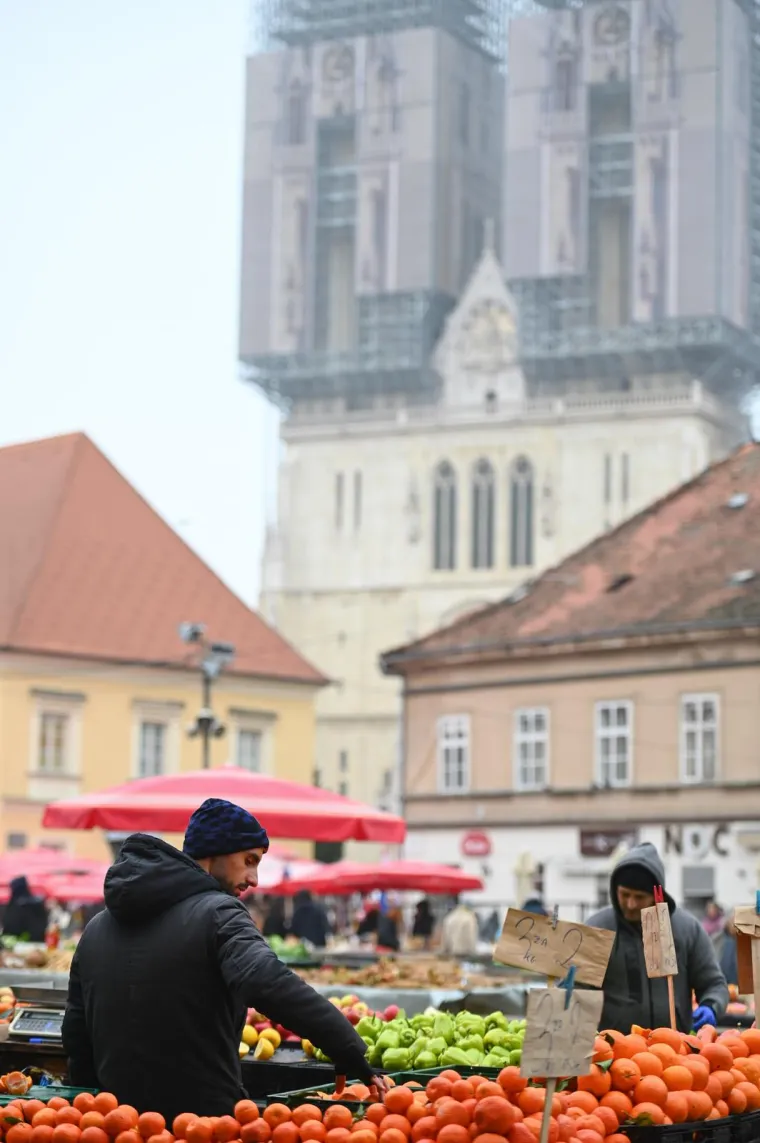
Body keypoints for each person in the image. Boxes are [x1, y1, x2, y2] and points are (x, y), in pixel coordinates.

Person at [62, 798, 381, 1121]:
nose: (254, 878)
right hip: (203, 1125)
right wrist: (346, 1046)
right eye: (249, 860)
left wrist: (95, 1108)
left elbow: (76, 1033)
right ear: (216, 852)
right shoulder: (219, 912)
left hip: (117, 1124)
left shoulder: (96, 928)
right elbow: (267, 981)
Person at [587, 842, 728, 1034]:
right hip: (615, 1053)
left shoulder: (687, 929)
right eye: (624, 894)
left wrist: (711, 1005)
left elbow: (713, 983)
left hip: (675, 1050)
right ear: (615, 890)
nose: (630, 903)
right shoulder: (597, 929)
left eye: (639, 896)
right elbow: (575, 989)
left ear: (656, 895)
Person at [2, 876, 48, 942]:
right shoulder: (37, 903)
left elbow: (8, 924)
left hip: (16, 942)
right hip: (36, 942)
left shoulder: (14, 905)